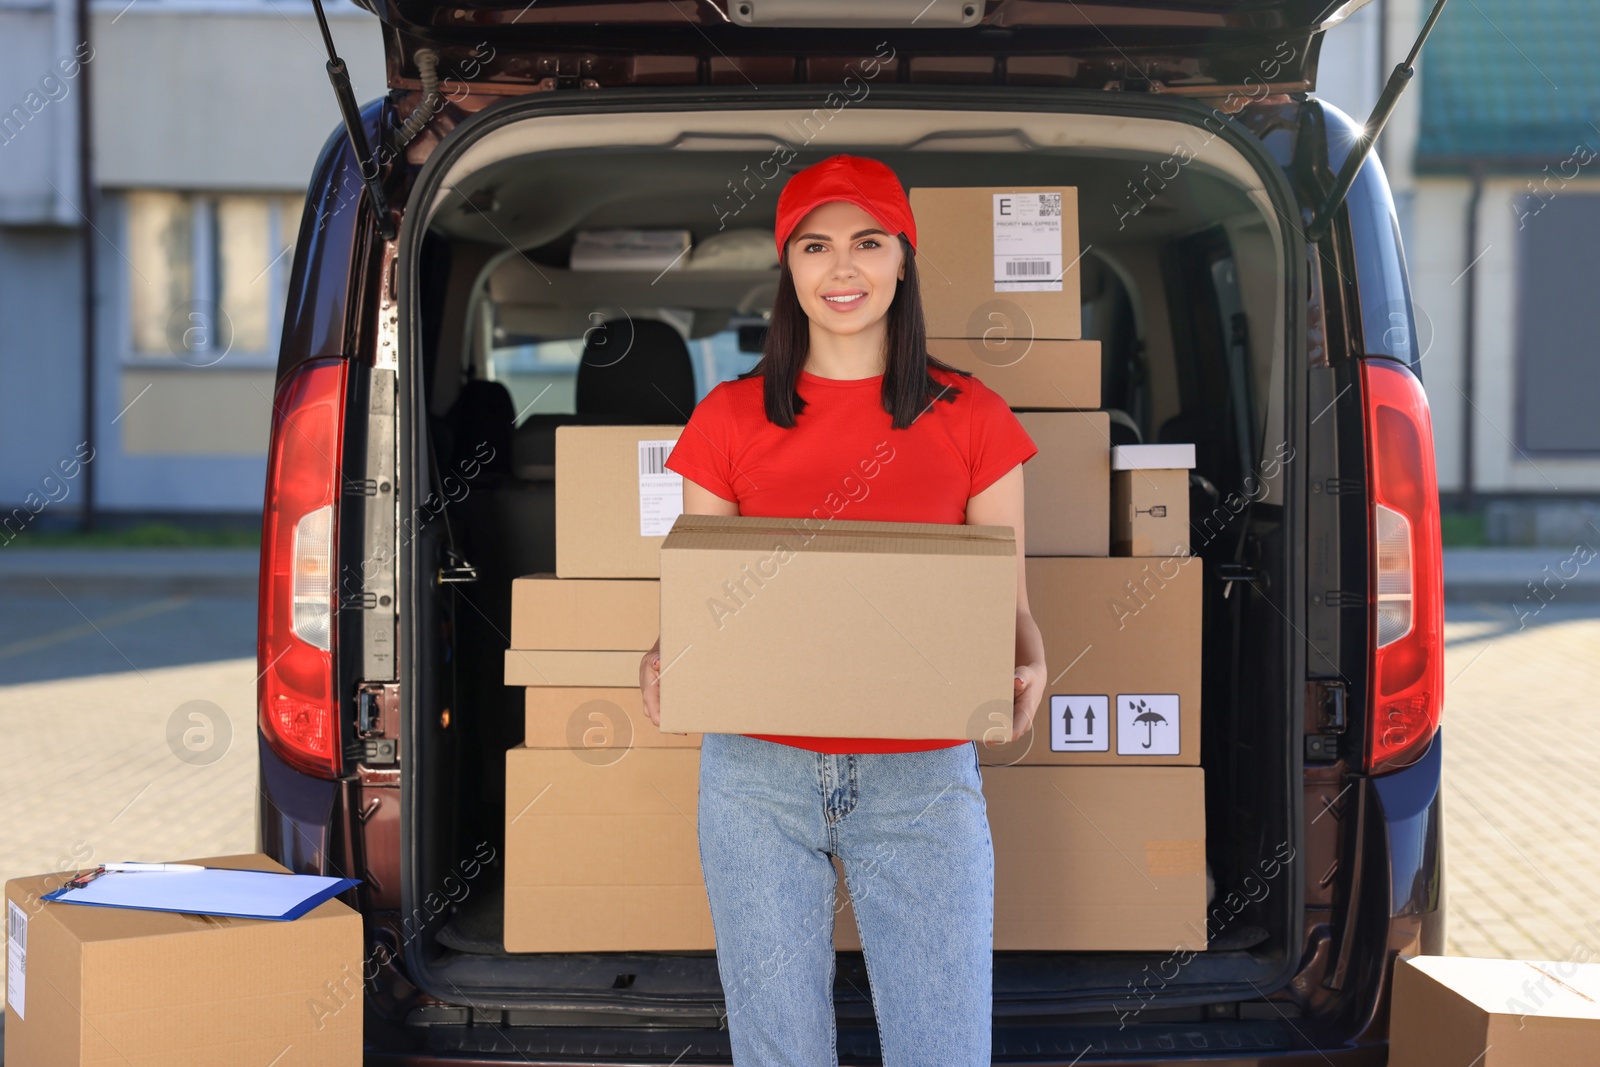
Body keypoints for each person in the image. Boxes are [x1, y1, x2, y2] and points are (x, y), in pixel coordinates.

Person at [638, 153, 1047, 1067]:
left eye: (868, 242)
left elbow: (1006, 598)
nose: (844, 268)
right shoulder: (729, 420)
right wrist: (665, 655)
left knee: (942, 1050)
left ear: (904, 258)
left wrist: (1030, 655)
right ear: (789, 266)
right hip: (757, 774)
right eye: (815, 245)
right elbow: (704, 598)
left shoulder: (972, 416)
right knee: (779, 1053)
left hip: (922, 778)